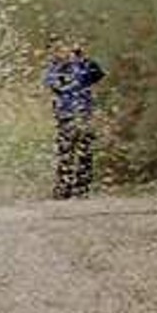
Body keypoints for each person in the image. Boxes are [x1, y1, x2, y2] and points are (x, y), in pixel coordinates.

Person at [43, 43, 105, 199]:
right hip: (66, 115)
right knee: (66, 151)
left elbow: (98, 74)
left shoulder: (82, 66)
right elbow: (54, 85)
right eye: (57, 51)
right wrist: (74, 65)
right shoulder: (53, 69)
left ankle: (82, 188)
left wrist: (83, 59)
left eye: (64, 50)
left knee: (85, 151)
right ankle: (64, 188)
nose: (61, 53)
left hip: (84, 114)